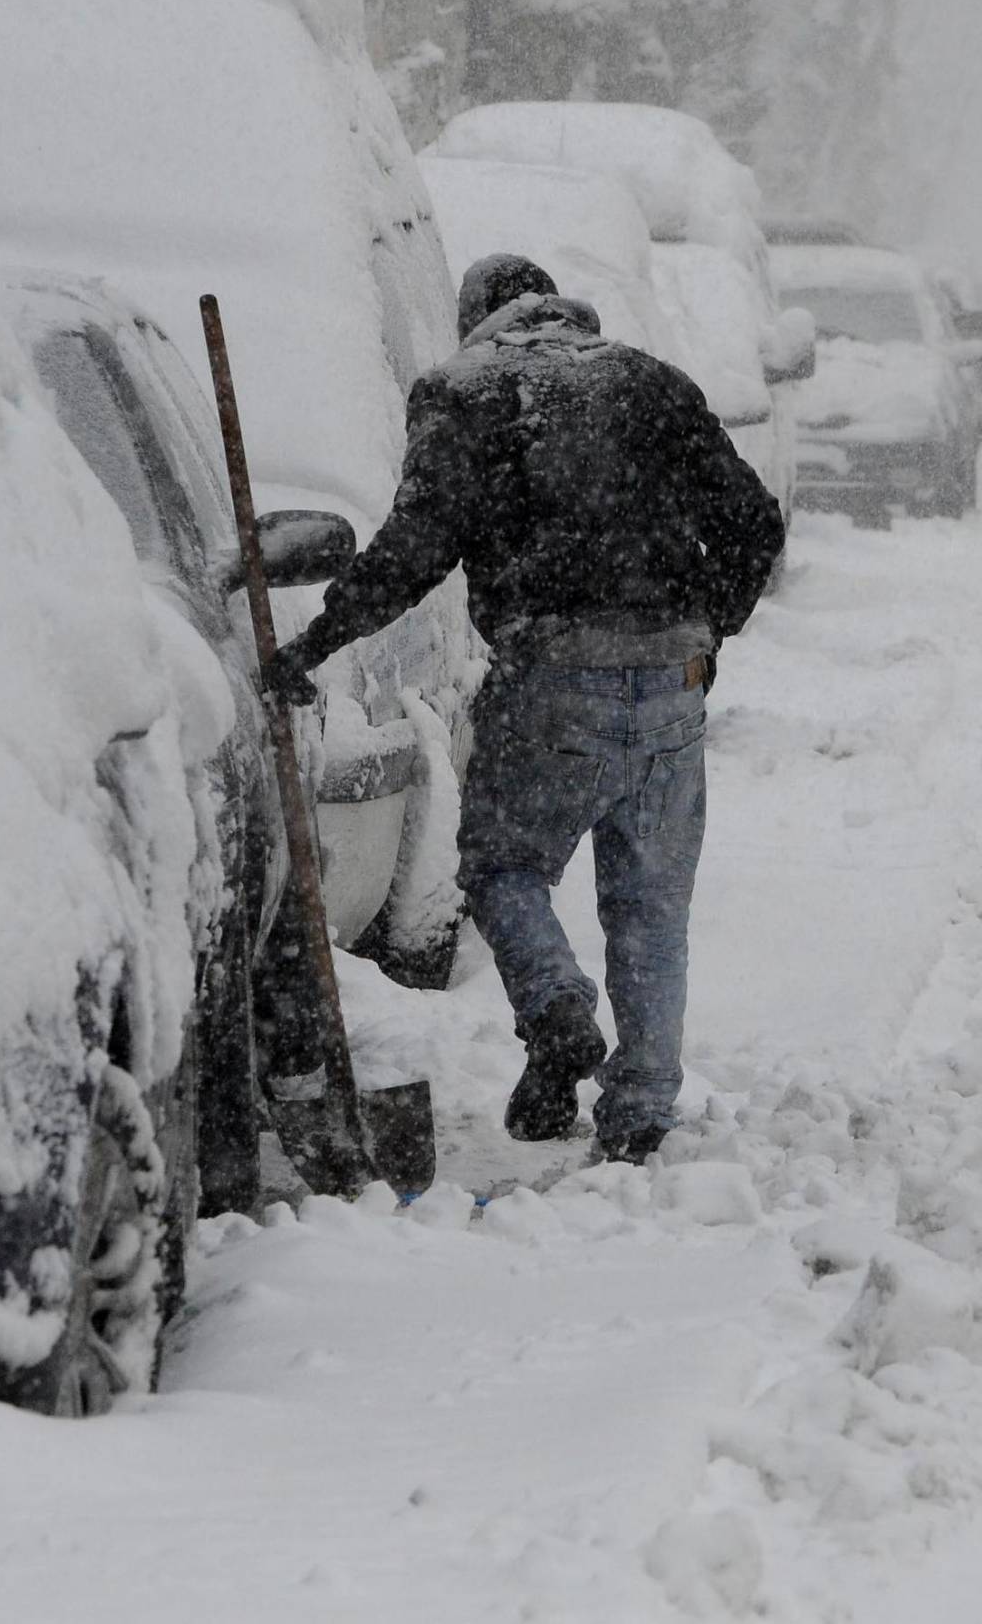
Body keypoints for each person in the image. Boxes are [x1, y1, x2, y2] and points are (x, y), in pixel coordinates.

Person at [266, 253, 784, 1163]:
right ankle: (640, 1113)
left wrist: (310, 644)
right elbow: (753, 521)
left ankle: (554, 1006)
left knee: (504, 868)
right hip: (672, 685)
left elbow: (414, 550)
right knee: (652, 908)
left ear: (476, 320)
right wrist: (707, 631)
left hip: (548, 683)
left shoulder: (466, 393)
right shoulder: (649, 380)